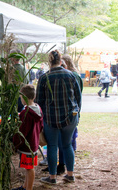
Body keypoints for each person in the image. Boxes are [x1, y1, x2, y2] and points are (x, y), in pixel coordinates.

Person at [36, 50, 82, 184]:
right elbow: (78, 98)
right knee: (67, 145)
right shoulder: (71, 75)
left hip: (51, 117)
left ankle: (52, 177)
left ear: (49, 62)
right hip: (70, 117)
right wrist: (77, 114)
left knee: (52, 146)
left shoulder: (44, 77)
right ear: (61, 61)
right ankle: (70, 174)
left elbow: (39, 101)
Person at [12, 84, 43, 190]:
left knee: (29, 168)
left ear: (24, 97)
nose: (20, 100)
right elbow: (41, 126)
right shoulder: (37, 109)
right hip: (34, 143)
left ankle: (28, 188)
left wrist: (14, 143)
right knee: (28, 167)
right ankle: (25, 186)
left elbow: (21, 132)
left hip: (27, 146)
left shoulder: (26, 114)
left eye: (20, 97)